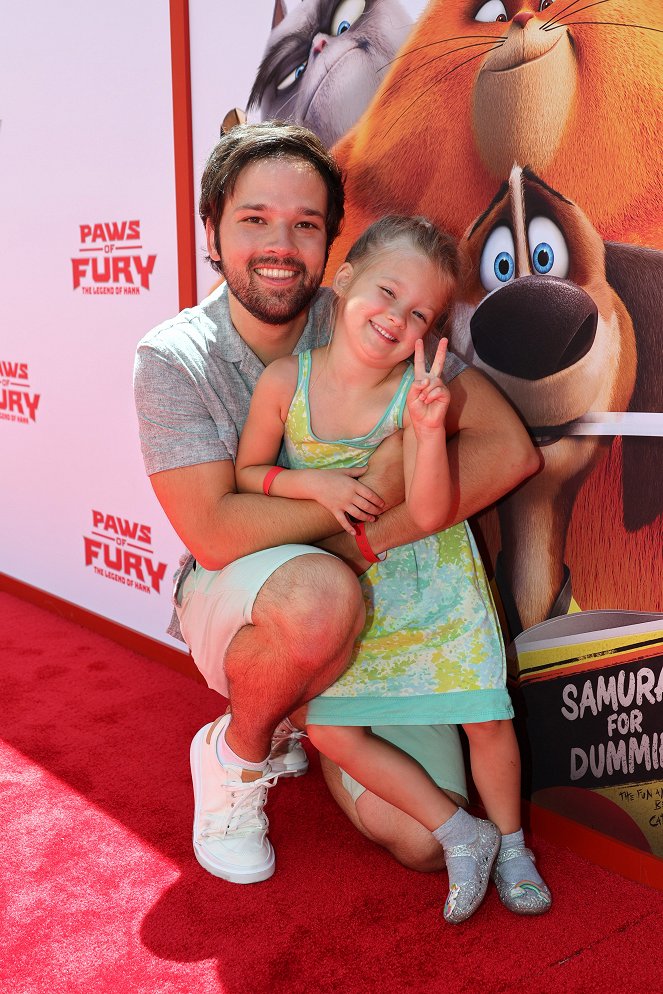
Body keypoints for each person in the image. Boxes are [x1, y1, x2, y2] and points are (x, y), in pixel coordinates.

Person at [133, 121, 539, 895]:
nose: (280, 243)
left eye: (305, 224)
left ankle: (305, 712)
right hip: (244, 593)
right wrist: (375, 483)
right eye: (254, 219)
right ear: (211, 227)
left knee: (427, 841)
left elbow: (505, 445)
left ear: (332, 249)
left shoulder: (363, 311)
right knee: (321, 597)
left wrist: (374, 530)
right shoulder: (173, 356)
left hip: (382, 594)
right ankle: (241, 751)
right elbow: (216, 533)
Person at [234, 215, 552, 921]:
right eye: (386, 292)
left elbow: (434, 510)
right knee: (330, 729)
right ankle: (458, 832)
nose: (395, 319)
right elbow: (250, 473)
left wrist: (429, 431)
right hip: (351, 604)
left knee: (486, 722)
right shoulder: (286, 381)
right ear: (343, 278)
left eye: (420, 314)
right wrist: (310, 484)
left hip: (436, 589)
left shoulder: (417, 395)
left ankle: (512, 845)